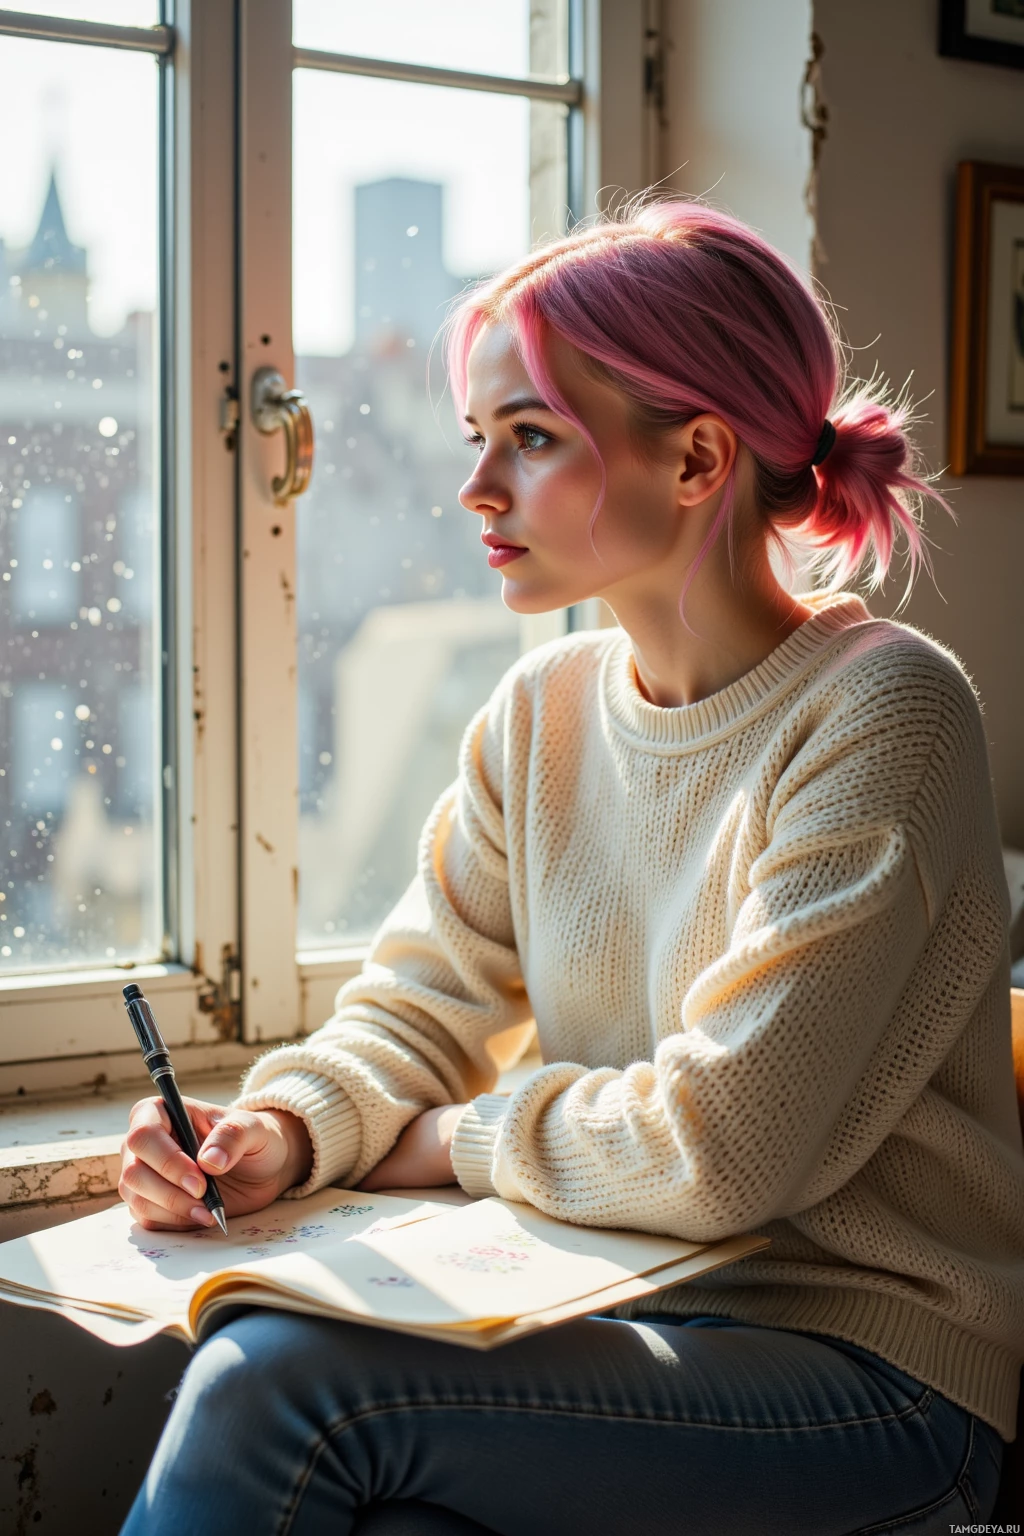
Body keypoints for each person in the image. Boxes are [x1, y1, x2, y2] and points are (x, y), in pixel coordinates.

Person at [118, 200, 1024, 1535]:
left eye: (530, 438)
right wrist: (287, 1131)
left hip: (877, 1376)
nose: (477, 488)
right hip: (629, 1316)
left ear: (698, 457)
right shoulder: (538, 715)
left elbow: (724, 1150)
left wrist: (456, 1138)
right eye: (478, 438)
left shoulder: (887, 712)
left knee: (274, 1387)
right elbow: (417, 1008)